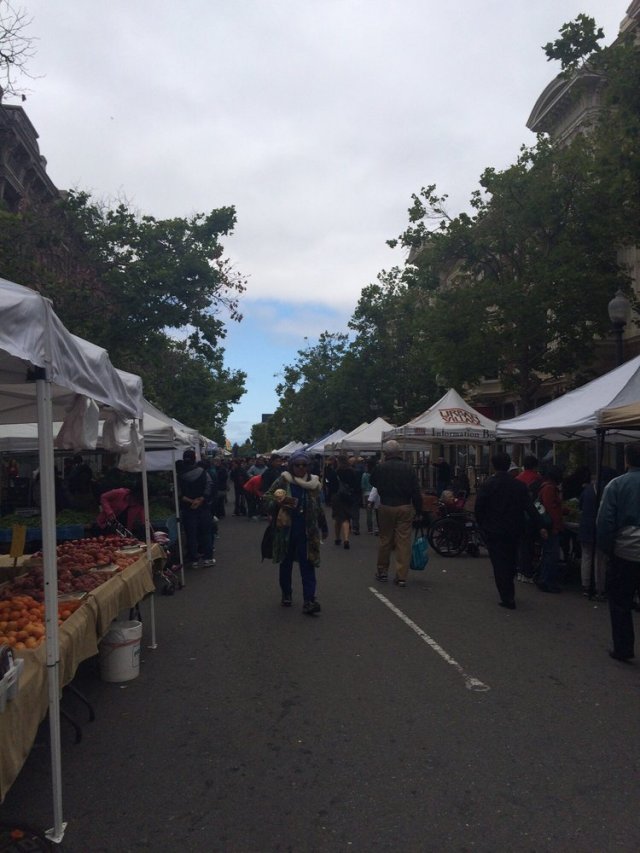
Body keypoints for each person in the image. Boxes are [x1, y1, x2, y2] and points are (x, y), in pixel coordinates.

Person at [475, 452, 548, 609]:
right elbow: (530, 507)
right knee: (511, 558)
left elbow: (479, 508)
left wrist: (482, 526)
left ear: (493, 466)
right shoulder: (519, 486)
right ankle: (509, 587)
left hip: (494, 530)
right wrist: (541, 525)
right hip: (514, 529)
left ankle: (507, 595)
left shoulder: (488, 484)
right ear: (509, 466)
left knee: (499, 562)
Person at [263, 451, 328, 614]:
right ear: (291, 466)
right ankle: (286, 594)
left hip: (308, 531)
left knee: (309, 564)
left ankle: (309, 600)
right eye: (297, 465)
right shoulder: (284, 480)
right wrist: (281, 502)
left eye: (304, 465)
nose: (300, 468)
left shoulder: (314, 483)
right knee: (285, 563)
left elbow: (319, 506)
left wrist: (324, 525)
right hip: (286, 530)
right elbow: (267, 497)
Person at [596, 442, 640, 662]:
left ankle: (623, 648)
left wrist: (606, 549)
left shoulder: (616, 485)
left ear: (626, 459)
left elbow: (605, 522)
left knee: (621, 603)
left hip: (625, 551)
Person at [369, 439, 422, 586]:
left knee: (385, 539)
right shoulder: (409, 468)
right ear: (399, 452)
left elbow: (372, 481)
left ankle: (382, 571)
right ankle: (401, 576)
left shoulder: (381, 467)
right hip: (404, 505)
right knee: (403, 541)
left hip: (386, 505)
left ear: (386, 453)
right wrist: (419, 508)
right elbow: (415, 490)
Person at [178, 448, 215, 568]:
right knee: (206, 533)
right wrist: (201, 499)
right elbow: (209, 486)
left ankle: (194, 559)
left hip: (188, 508)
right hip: (203, 507)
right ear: (195, 458)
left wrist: (191, 501)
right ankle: (207, 558)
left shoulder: (178, 474)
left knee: (191, 534)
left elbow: (178, 493)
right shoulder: (203, 471)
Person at [536, 465, 565, 593]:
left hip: (547, 526)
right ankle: (546, 581)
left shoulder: (546, 486)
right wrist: (555, 526)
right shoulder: (549, 488)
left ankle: (544, 579)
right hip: (550, 527)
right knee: (551, 555)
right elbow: (551, 509)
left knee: (549, 554)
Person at [579, 473, 608, 600]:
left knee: (586, 556)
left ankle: (585, 585)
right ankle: (599, 588)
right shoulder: (606, 490)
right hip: (599, 528)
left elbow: (580, 506)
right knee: (599, 559)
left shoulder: (587, 490)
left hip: (585, 527)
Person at [516, 454, 543, 583]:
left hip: (517, 515)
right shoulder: (537, 479)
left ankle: (520, 570)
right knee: (529, 544)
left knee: (521, 544)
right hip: (530, 517)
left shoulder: (517, 478)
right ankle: (527, 571)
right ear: (535, 466)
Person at [331, 455, 359, 550]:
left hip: (337, 496)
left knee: (337, 517)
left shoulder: (335, 472)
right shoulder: (352, 471)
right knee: (346, 518)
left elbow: (331, 485)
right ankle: (346, 539)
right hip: (348, 496)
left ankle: (337, 538)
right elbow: (356, 485)